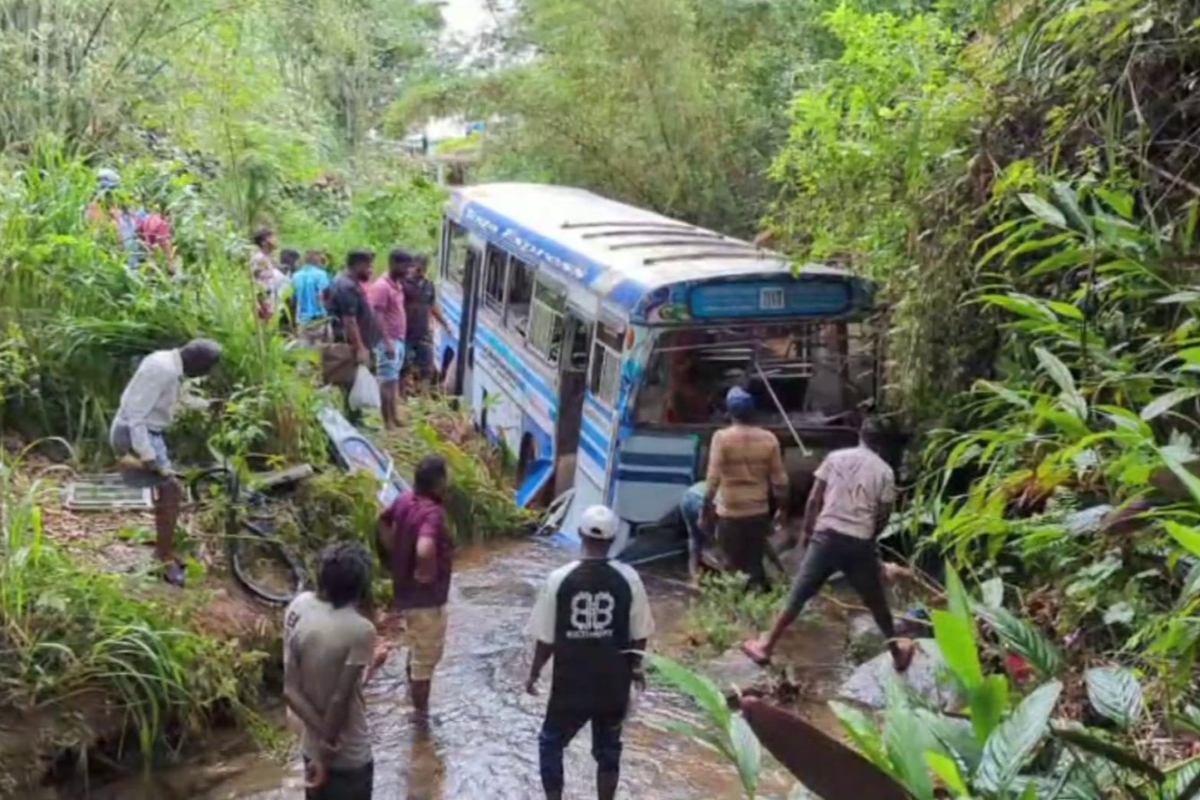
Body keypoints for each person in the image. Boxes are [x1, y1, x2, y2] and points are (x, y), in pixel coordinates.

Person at [742, 417, 915, 672]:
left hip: (826, 536)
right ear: (881, 445)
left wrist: (808, 534)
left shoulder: (835, 458)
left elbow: (814, 499)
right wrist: (871, 536)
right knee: (876, 601)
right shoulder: (885, 472)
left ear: (861, 436)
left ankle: (766, 646)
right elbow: (883, 513)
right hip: (859, 541)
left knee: (798, 594)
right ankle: (896, 653)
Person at [526, 505, 655, 800]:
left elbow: (546, 639)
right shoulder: (629, 579)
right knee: (608, 749)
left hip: (570, 684)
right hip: (613, 683)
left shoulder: (559, 579)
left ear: (580, 533)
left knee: (551, 743)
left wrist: (534, 673)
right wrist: (635, 669)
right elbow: (640, 634)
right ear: (613, 539)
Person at [110, 339, 222, 586]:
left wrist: (204, 405)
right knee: (171, 491)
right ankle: (162, 558)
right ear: (199, 363)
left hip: (148, 433)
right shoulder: (163, 370)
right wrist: (148, 456)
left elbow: (171, 401)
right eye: (208, 368)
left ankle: (164, 551)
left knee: (167, 492)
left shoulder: (169, 363)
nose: (207, 373)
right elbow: (136, 415)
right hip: (136, 434)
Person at [284, 541, 387, 800]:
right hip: (348, 754)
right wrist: (328, 745)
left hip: (310, 745)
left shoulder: (299, 606)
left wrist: (318, 744)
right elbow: (340, 698)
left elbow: (290, 691)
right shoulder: (360, 629)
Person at [377, 455, 452, 722]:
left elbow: (383, 521)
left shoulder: (403, 500)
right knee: (425, 660)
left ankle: (413, 701)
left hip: (405, 596)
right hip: (426, 601)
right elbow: (425, 547)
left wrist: (393, 554)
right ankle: (420, 720)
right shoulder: (432, 513)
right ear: (439, 482)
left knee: (415, 648)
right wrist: (425, 570)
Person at [701, 386, 788, 592]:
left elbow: (713, 479)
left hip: (730, 512)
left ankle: (738, 612)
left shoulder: (721, 438)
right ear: (753, 412)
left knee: (731, 566)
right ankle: (760, 606)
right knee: (755, 562)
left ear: (729, 413)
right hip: (758, 511)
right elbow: (780, 481)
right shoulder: (769, 439)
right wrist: (782, 510)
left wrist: (705, 511)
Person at [86, 168, 175, 272]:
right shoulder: (95, 212)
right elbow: (113, 242)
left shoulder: (126, 213)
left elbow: (153, 229)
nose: (108, 198)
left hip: (131, 268)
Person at [322, 250, 380, 390]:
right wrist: (360, 348)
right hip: (350, 346)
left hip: (353, 343)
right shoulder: (347, 287)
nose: (371, 271)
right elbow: (350, 321)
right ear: (358, 265)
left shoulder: (344, 281)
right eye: (368, 267)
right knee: (352, 385)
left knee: (352, 386)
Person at [368, 250, 410, 429]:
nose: (408, 270)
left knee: (393, 380)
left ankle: (394, 416)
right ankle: (387, 421)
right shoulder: (382, 287)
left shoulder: (397, 285)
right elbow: (377, 316)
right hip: (388, 340)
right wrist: (387, 342)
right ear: (394, 264)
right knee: (387, 381)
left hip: (398, 339)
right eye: (405, 266)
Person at [400, 256, 448, 387]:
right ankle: (401, 399)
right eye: (416, 266)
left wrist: (445, 324)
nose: (419, 270)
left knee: (426, 370)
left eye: (422, 267)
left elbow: (432, 306)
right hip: (405, 334)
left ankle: (423, 397)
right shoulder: (402, 285)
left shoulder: (428, 286)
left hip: (423, 334)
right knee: (403, 370)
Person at [293, 250, 333, 345]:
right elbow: (324, 295)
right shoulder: (321, 275)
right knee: (320, 350)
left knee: (304, 351)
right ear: (318, 259)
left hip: (302, 319)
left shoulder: (296, 276)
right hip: (319, 317)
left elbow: (293, 298)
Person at [251, 228, 289, 320]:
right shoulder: (260, 259)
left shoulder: (268, 259)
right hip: (266, 307)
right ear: (263, 242)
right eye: (271, 237)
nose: (275, 240)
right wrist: (265, 306)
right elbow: (259, 285)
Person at [679, 481, 709, 584]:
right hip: (703, 500)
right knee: (715, 540)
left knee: (695, 539)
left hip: (689, 494)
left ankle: (695, 576)